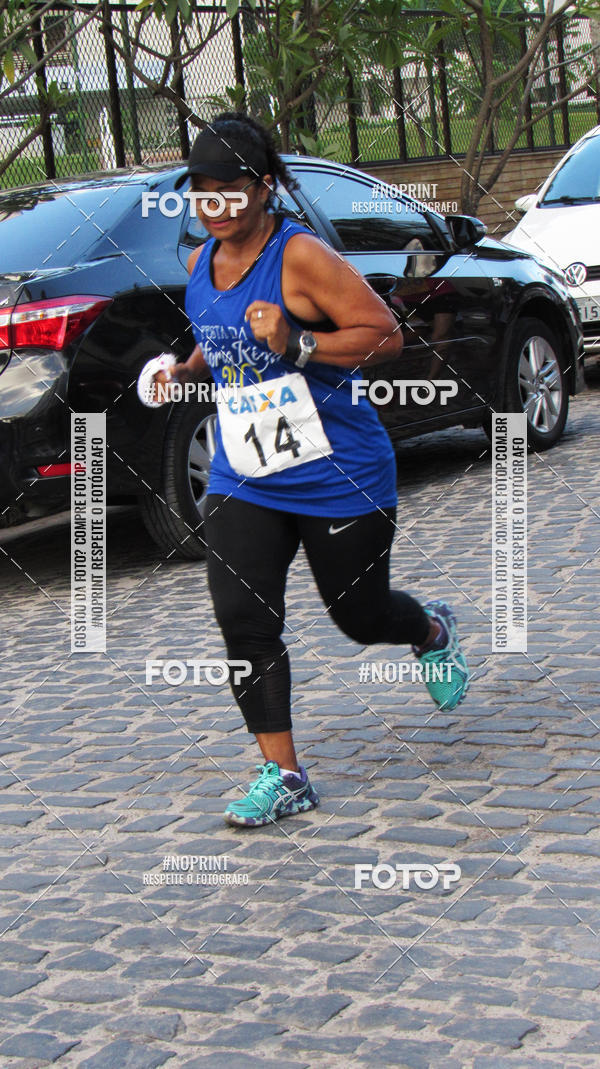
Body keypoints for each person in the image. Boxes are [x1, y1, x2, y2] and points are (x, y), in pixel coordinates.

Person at [155, 112, 470, 828]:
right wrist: (185, 370)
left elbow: (385, 334)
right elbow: (218, 334)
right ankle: (285, 773)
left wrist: (297, 342)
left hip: (339, 471)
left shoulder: (299, 257)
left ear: (264, 188)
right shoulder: (203, 259)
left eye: (229, 190)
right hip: (246, 471)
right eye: (202, 192)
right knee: (243, 618)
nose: (214, 205)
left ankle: (428, 631)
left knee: (359, 616)